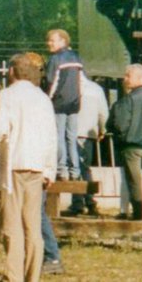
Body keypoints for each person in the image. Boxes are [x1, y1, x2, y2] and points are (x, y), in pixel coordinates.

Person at [0, 52, 57, 282]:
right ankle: (31, 276)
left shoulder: (6, 96)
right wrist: (50, 169)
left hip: (13, 165)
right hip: (37, 166)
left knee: (11, 225)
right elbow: (51, 136)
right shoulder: (43, 98)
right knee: (32, 226)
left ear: (11, 71)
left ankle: (13, 277)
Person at [108, 64, 142, 220]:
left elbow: (119, 123)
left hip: (132, 144)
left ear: (140, 78)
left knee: (134, 180)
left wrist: (122, 136)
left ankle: (139, 212)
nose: (125, 79)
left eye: (128, 76)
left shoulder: (128, 100)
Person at [44, 29, 84, 180]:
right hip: (74, 103)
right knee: (71, 138)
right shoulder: (76, 57)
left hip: (58, 103)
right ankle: (75, 171)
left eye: (52, 40)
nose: (49, 43)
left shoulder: (55, 59)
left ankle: (62, 170)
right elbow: (81, 81)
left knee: (59, 137)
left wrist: (48, 99)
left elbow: (51, 82)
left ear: (63, 41)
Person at [66, 73, 107, 217]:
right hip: (89, 133)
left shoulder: (68, 86)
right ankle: (89, 202)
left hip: (72, 132)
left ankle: (79, 203)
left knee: (75, 167)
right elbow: (103, 113)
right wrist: (102, 129)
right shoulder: (96, 89)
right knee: (85, 168)